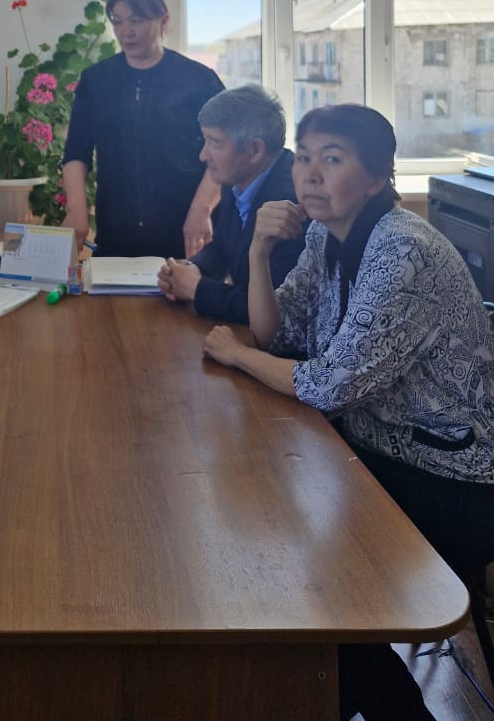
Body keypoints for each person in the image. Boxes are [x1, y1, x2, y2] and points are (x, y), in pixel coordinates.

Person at [201, 104, 494, 721]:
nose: (309, 174)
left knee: (308, 576)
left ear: (377, 177)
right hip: (376, 451)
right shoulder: (322, 235)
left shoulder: (401, 248)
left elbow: (328, 385)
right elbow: (277, 334)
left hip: (455, 477)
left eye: (331, 160)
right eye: (305, 157)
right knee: (268, 534)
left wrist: (235, 355)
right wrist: (258, 252)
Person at [61, 0, 224, 259]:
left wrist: (202, 207)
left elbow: (227, 150)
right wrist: (76, 211)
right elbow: (76, 152)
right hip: (116, 234)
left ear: (163, 21)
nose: (126, 31)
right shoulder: (96, 81)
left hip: (187, 233)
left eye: (136, 20)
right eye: (118, 21)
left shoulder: (199, 80)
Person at [157, 85, 306, 322]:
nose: (203, 155)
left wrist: (197, 288)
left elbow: (274, 312)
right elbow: (223, 247)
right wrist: (191, 269)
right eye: (205, 140)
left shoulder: (291, 203)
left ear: (255, 150)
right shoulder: (237, 178)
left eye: (215, 143)